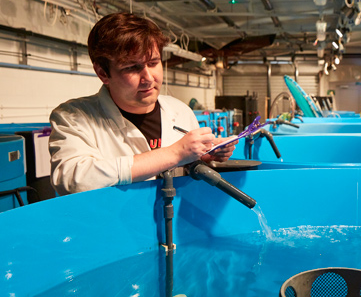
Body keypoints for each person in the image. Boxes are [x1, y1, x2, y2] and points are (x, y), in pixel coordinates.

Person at [49, 12, 236, 195]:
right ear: (103, 73)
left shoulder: (180, 111)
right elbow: (74, 179)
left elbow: (189, 177)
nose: (148, 78)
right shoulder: (73, 117)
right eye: (132, 67)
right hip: (115, 224)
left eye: (153, 63)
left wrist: (201, 157)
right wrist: (174, 154)